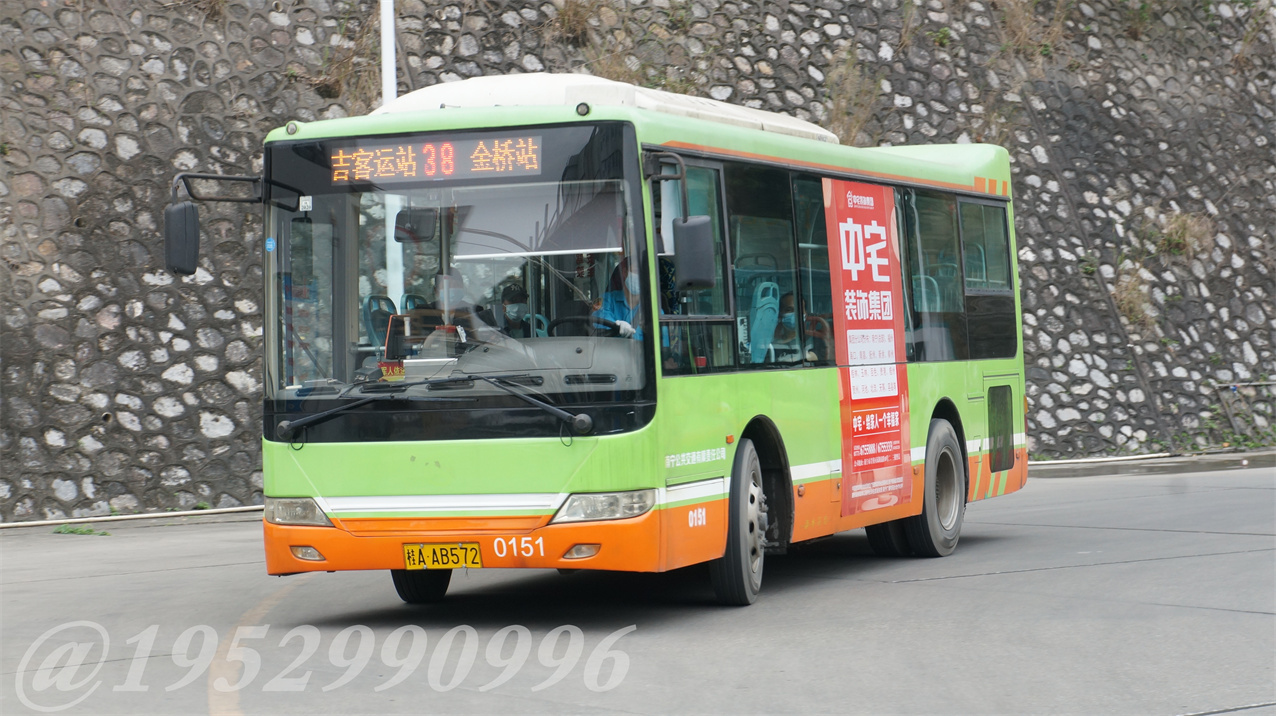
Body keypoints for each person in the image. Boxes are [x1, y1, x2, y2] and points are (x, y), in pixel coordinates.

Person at [593, 259, 643, 339]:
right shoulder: (604, 298)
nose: (639, 276)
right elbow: (597, 318)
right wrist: (616, 325)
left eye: (643, 273)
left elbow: (662, 341)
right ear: (625, 272)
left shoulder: (654, 309)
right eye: (636, 271)